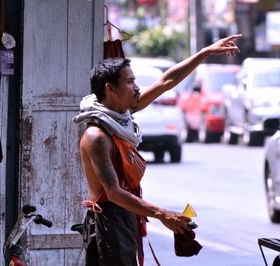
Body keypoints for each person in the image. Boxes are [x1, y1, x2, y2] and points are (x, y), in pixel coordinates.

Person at [73, 34, 242, 266]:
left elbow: (166, 81)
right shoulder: (97, 136)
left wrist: (205, 53)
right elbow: (113, 193)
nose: (137, 88)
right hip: (108, 222)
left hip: (124, 216)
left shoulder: (122, 115)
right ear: (111, 89)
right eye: (130, 82)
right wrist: (162, 214)